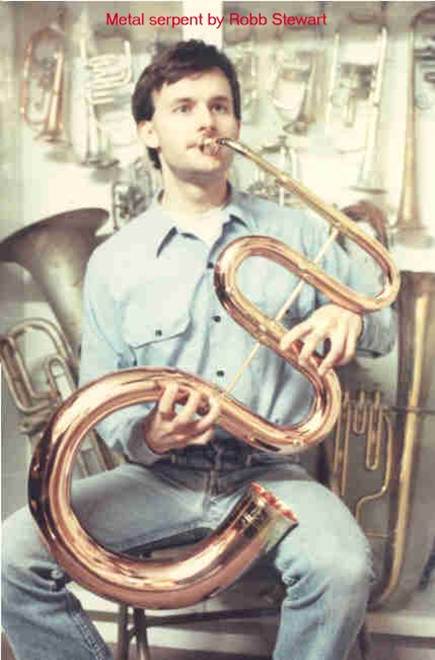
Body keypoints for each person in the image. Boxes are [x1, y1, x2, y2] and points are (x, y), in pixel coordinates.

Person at [2, 40, 396, 660]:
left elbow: (384, 328)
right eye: (183, 107)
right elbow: (101, 394)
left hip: (272, 476)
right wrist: (151, 435)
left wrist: (349, 313)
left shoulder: (298, 231)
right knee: (11, 558)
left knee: (342, 570)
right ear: (148, 131)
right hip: (157, 477)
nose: (207, 121)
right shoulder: (114, 260)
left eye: (220, 106)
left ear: (236, 124)